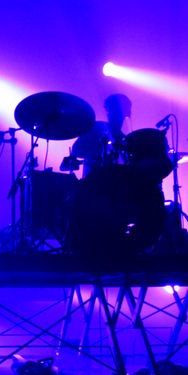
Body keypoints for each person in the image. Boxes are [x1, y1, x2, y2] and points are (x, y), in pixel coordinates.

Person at [67, 94, 173, 256]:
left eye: (126, 110)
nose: (124, 114)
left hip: (115, 193)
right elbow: (77, 150)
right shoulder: (97, 128)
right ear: (109, 110)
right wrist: (94, 151)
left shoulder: (127, 139)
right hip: (95, 188)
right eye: (119, 109)